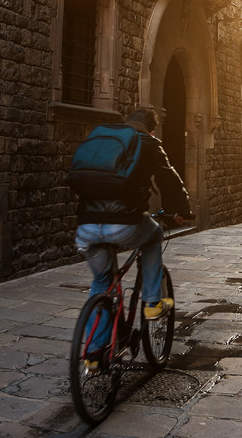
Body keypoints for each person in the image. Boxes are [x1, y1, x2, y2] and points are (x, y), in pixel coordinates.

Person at [70, 105, 191, 362]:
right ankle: (152, 302)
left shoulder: (101, 138)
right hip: (123, 223)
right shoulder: (148, 142)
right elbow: (168, 179)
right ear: (152, 128)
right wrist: (182, 211)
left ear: (128, 122)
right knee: (154, 235)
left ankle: (95, 354)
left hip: (86, 226)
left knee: (102, 283)